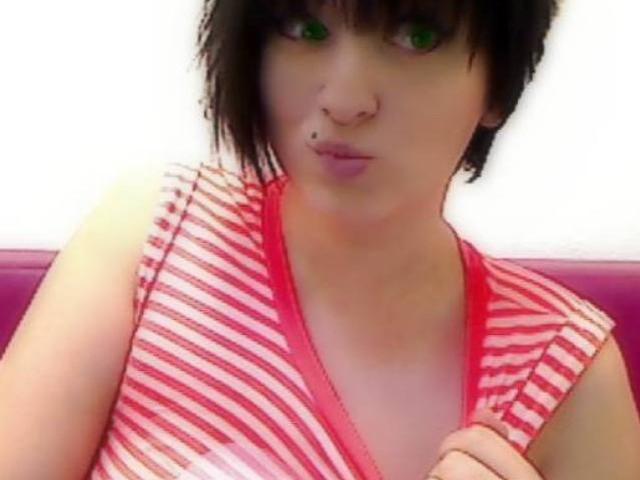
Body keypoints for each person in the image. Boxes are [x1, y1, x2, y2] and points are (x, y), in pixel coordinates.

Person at [1, 0, 639, 478]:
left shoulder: (561, 372)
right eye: (304, 28)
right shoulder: (158, 235)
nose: (344, 100)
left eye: (417, 35)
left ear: (497, 84)